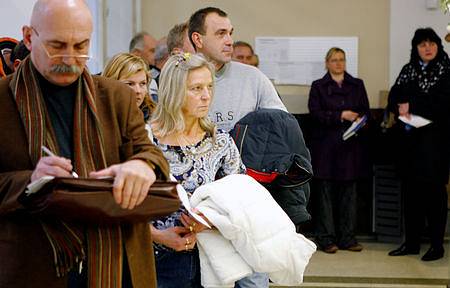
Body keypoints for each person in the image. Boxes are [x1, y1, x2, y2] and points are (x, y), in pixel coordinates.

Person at [0, 0, 170, 287]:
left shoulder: (116, 96)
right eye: (57, 45)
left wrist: (143, 166)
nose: (69, 58)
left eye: (81, 46)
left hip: (115, 262)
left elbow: (151, 153)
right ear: (29, 37)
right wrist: (32, 181)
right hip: (32, 263)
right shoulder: (3, 100)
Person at [188, 7, 287, 287]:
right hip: (199, 208)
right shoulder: (179, 77)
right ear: (198, 38)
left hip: (245, 200)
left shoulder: (253, 78)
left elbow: (281, 127)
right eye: (221, 34)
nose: (229, 40)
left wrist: (250, 148)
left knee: (253, 281)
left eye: (230, 33)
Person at [149, 53, 245, 287]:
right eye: (196, 88)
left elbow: (242, 201)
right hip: (154, 259)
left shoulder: (220, 142)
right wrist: (158, 236)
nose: (206, 96)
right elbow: (123, 205)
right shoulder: (146, 140)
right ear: (174, 92)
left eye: (210, 87)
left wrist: (210, 221)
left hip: (209, 257)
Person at [387, 28, 450, 261]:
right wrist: (399, 106)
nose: (427, 48)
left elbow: (442, 104)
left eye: (431, 43)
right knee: (411, 195)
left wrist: (411, 104)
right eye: (422, 44)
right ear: (416, 48)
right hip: (410, 146)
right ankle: (411, 243)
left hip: (436, 145)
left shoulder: (446, 70)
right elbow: (394, 97)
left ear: (438, 46)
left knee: (435, 196)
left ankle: (436, 245)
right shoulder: (408, 70)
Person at [308, 47, 370, 254]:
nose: (338, 63)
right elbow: (315, 113)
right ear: (327, 63)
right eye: (334, 60)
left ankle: (347, 238)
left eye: (341, 60)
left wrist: (359, 120)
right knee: (324, 197)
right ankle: (326, 239)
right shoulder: (318, 86)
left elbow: (366, 112)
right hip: (326, 148)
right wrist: (340, 115)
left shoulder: (357, 84)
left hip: (351, 148)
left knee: (349, 196)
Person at [102, 52, 156, 131]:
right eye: (130, 84)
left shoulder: (153, 121)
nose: (138, 91)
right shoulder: (97, 120)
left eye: (142, 84)